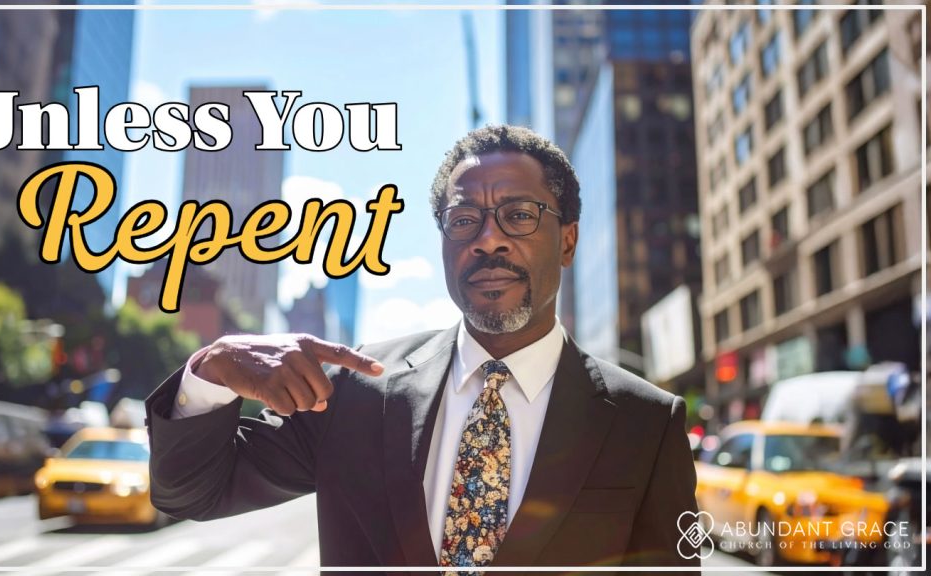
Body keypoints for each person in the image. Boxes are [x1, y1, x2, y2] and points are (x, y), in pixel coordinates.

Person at [146, 125, 700, 573]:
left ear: (569, 241)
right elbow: (192, 494)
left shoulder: (647, 424)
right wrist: (211, 368)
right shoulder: (354, 391)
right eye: (464, 220)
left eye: (519, 214)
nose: (488, 238)